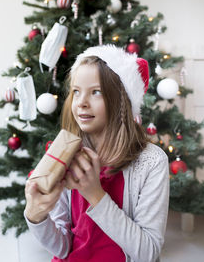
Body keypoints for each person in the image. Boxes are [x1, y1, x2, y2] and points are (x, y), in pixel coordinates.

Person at [24, 44, 170, 262]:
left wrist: (94, 194)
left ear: (121, 100)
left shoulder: (151, 161)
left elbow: (147, 252)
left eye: (96, 92)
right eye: (76, 92)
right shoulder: (66, 153)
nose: (81, 103)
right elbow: (62, 247)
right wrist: (36, 217)